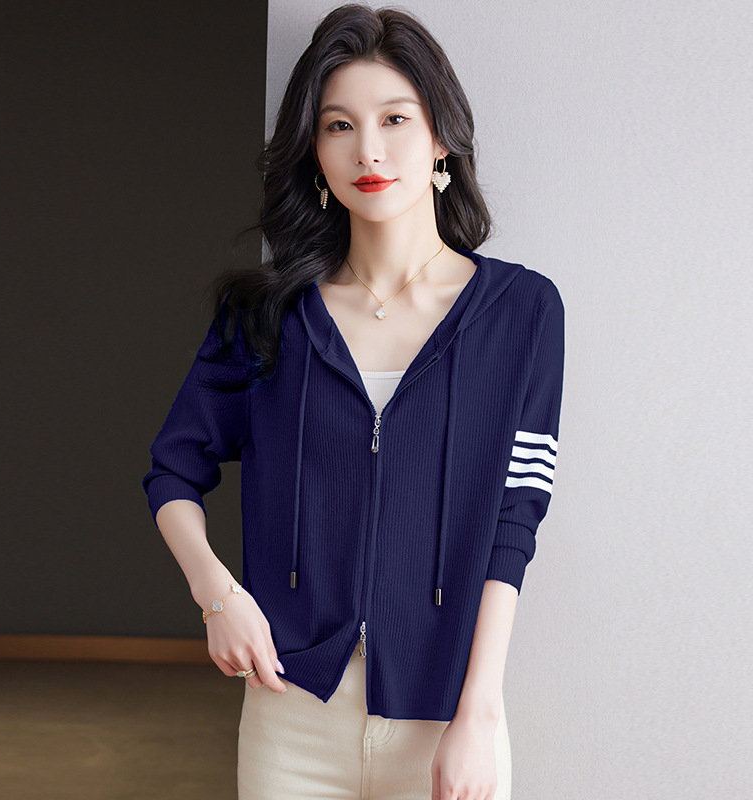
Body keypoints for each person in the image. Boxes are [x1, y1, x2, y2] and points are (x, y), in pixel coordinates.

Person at [142, 4, 565, 799]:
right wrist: (217, 596)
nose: (367, 150)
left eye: (394, 119)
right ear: (314, 152)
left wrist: (478, 715)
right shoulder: (265, 314)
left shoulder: (522, 311)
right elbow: (173, 470)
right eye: (339, 125)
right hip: (290, 712)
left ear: (440, 138)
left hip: (448, 719)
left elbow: (517, 512)